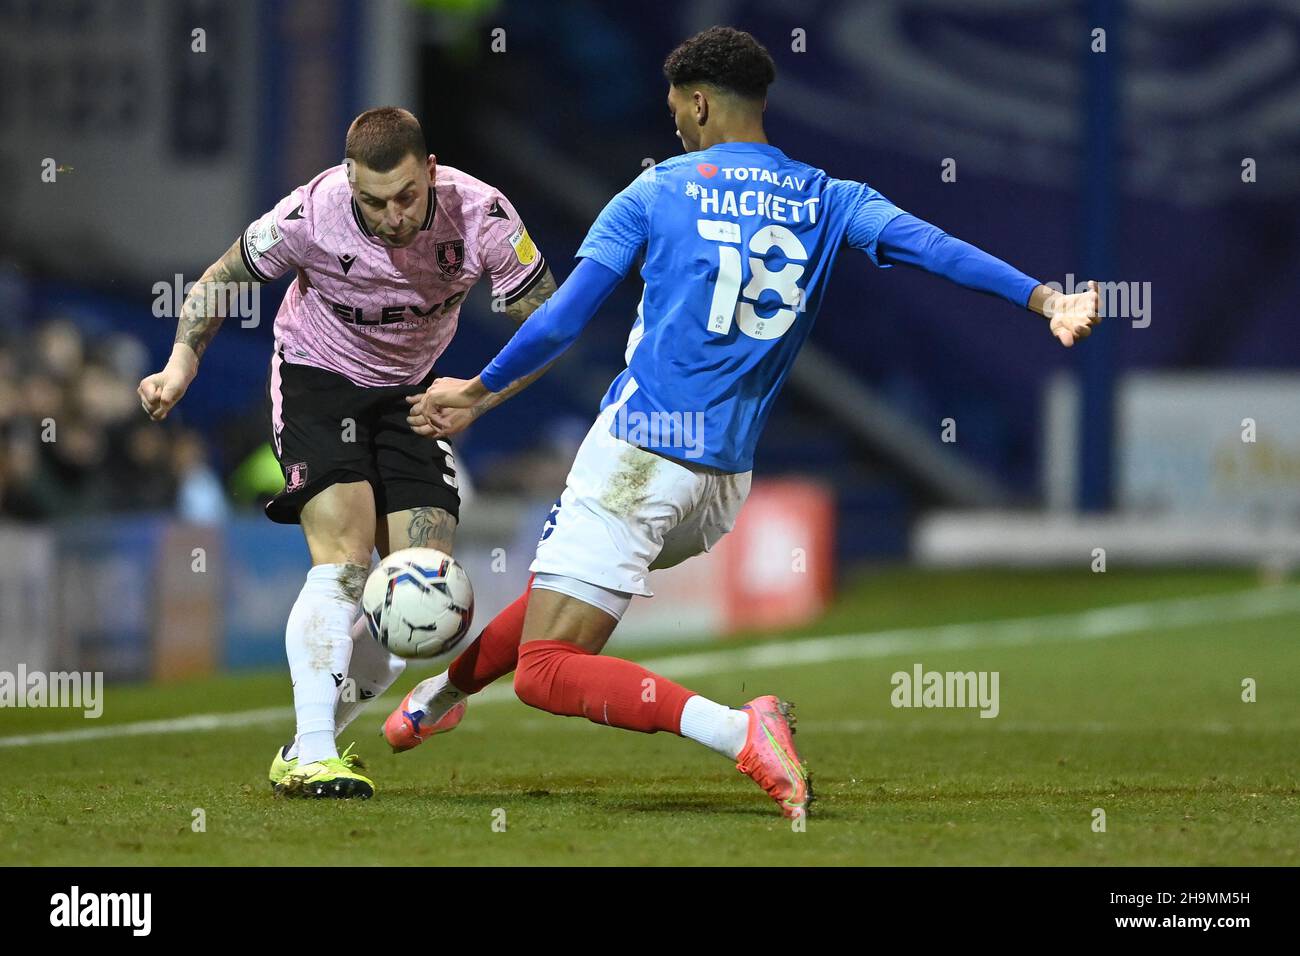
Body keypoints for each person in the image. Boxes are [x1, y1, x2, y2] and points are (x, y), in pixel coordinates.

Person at [387, 27, 1100, 819]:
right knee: (564, 588)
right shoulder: (830, 197)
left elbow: (561, 321)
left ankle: (739, 730)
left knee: (547, 670)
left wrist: (480, 391)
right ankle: (443, 693)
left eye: (675, 111)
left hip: (638, 456)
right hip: (724, 483)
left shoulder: (656, 191)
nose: (675, 127)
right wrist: (1046, 299)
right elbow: (934, 248)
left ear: (697, 102)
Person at [138, 107, 556, 799]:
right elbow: (220, 279)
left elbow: (547, 320)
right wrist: (181, 364)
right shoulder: (312, 211)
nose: (391, 217)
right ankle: (312, 754)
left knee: (424, 602)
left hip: (411, 393)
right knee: (345, 566)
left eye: (405, 198)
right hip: (317, 378)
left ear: (430, 171)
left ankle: (307, 740)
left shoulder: (482, 214)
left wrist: (480, 394)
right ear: (348, 181)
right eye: (372, 201)